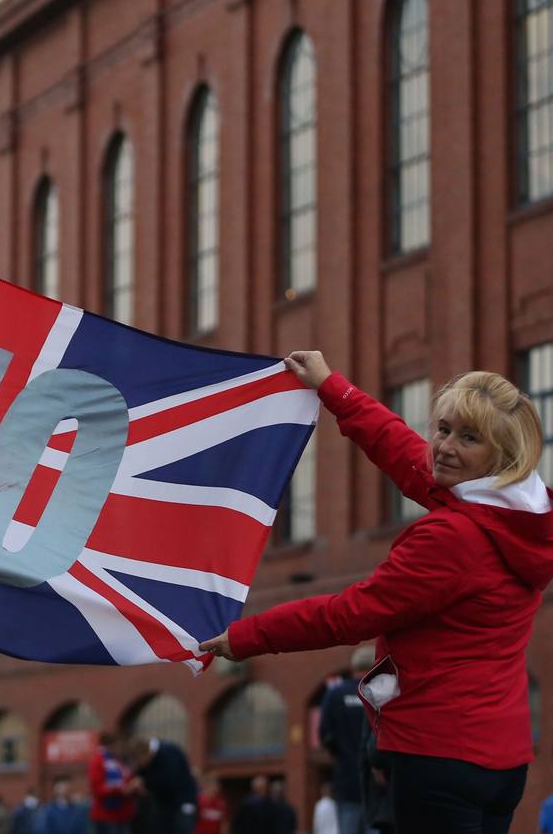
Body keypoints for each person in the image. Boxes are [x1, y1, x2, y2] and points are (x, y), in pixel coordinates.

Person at [200, 352, 553, 834]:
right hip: (502, 757)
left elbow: (350, 614)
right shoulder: (519, 515)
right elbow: (406, 452)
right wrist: (333, 389)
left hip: (437, 756)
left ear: (500, 456)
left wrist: (246, 636)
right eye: (443, 429)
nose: (444, 446)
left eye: (469, 438)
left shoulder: (453, 538)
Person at [317, 649, 370, 834]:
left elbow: (324, 734)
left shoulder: (335, 694)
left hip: (347, 782)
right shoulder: (379, 693)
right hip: (378, 786)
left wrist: (338, 752)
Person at [126, 737, 197, 834]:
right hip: (165, 806)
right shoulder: (149, 761)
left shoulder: (169, 753)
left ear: (146, 753)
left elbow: (169, 783)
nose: (140, 765)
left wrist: (145, 783)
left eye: (139, 761)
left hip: (182, 804)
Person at [87, 733, 135, 833]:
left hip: (123, 813)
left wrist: (134, 785)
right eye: (119, 745)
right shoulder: (98, 761)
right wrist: (120, 790)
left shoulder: (121, 761)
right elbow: (97, 788)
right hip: (106, 815)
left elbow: (127, 779)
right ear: (110, 746)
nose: (121, 748)